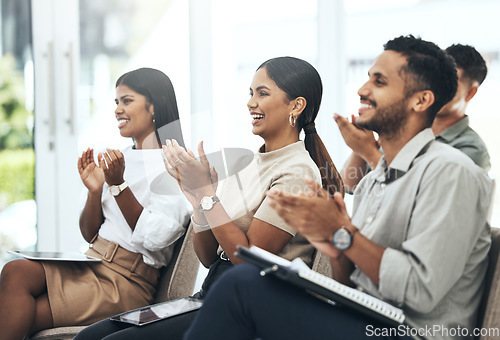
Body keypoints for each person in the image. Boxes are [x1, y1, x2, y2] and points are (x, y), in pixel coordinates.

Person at [184, 35, 493, 340]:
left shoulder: (452, 172)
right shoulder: (374, 179)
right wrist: (335, 247)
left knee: (243, 283)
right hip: (366, 320)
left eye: (379, 82)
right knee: (242, 286)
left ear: (421, 100)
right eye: (367, 79)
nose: (362, 90)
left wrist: (343, 235)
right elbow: (353, 286)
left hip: (411, 333)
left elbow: (419, 291)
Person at [75, 56, 344, 340]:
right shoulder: (250, 162)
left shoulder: (297, 170)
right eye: (250, 93)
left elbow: (247, 263)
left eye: (262, 93)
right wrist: (198, 201)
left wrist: (207, 195)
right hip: (211, 292)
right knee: (88, 338)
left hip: (249, 307)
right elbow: (206, 257)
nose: (251, 102)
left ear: (296, 105)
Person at [0, 68, 190, 339]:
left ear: (154, 105)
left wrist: (118, 186)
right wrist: (95, 190)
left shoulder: (173, 166)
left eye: (127, 100)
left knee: (22, 314)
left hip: (125, 282)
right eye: (116, 102)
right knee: (15, 270)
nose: (117, 110)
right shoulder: (121, 159)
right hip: (92, 262)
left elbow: (155, 238)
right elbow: (90, 233)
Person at [336, 43, 490, 193]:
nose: (437, 89)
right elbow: (350, 185)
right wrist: (360, 146)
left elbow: (425, 197)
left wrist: (368, 152)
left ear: (470, 93)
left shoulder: (469, 152)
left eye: (451, 83)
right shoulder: (403, 133)